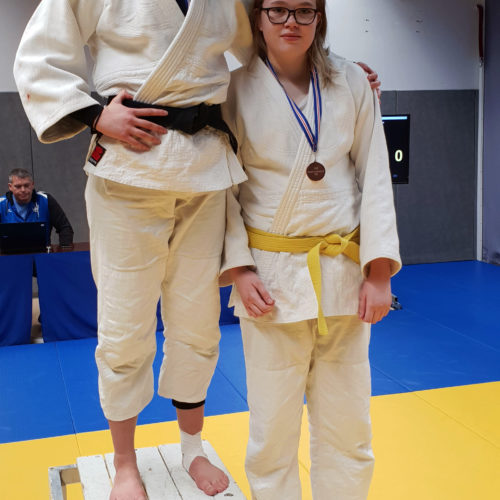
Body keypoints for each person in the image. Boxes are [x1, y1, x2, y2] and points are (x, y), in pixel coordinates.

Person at [14, 1, 253, 498]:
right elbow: (40, 53)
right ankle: (125, 463)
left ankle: (192, 447)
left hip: (205, 169)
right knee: (124, 327)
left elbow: (269, 47)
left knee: (198, 323)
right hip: (129, 169)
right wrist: (94, 114)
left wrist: (332, 76)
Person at [220, 1, 402, 499]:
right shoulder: (232, 90)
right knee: (271, 434)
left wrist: (379, 271)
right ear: (257, 18)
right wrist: (239, 268)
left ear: (319, 17)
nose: (291, 22)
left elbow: (376, 174)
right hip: (270, 279)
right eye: (278, 10)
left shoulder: (352, 81)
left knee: (350, 429)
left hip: (344, 276)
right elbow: (222, 188)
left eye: (304, 10)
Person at [0, 168, 73, 248]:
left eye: (26, 185)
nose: (23, 190)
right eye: (18, 186)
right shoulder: (1, 204)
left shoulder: (46, 200)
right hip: (9, 254)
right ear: (10, 187)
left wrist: (64, 251)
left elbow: (65, 228)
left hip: (43, 253)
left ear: (32, 185)